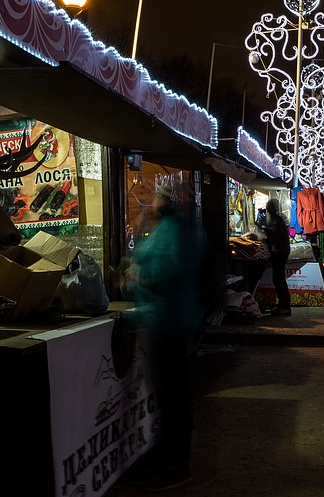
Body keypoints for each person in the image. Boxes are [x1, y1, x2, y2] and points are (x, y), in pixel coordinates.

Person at [125, 182, 206, 490]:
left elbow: (167, 272)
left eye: (155, 197)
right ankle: (169, 455)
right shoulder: (173, 229)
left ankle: (174, 462)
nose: (151, 201)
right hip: (170, 319)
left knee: (172, 394)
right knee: (172, 393)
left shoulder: (175, 231)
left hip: (169, 321)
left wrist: (137, 274)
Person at [263, 198, 293, 316]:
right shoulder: (277, 220)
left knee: (279, 279)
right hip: (280, 252)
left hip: (279, 253)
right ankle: (282, 305)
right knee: (278, 279)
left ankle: (285, 306)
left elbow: (274, 235)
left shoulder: (277, 220)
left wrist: (266, 231)